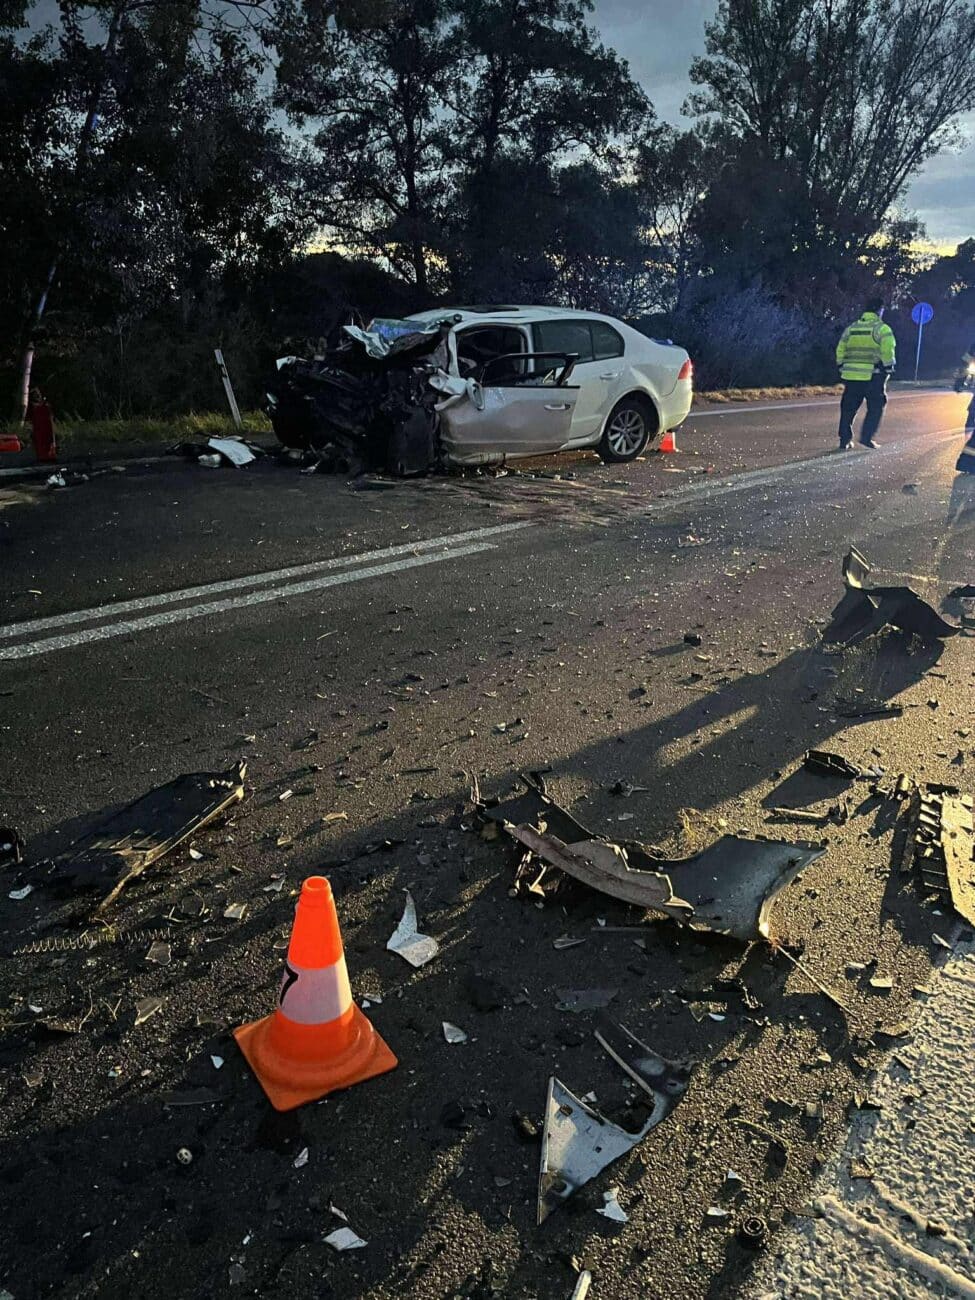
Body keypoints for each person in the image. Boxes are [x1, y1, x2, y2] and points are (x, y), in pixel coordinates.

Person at [835, 295, 896, 450]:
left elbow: (841, 347)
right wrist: (888, 367)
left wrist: (841, 364)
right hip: (873, 375)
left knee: (848, 408)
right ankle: (867, 437)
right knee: (876, 407)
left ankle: (845, 439)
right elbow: (887, 350)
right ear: (879, 310)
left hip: (851, 376)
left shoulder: (852, 328)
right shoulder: (882, 329)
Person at [24, 388, 57, 462]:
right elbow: (30, 419)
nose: (38, 396)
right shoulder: (32, 407)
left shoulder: (46, 405)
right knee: (41, 444)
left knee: (49, 442)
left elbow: (50, 417)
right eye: (35, 395)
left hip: (46, 427)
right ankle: (43, 457)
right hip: (39, 428)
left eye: (38, 394)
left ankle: (50, 456)